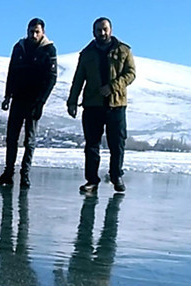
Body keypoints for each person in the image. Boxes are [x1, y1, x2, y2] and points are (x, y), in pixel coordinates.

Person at [66, 17, 136, 193]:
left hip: (116, 105)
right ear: (93, 32)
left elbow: (131, 73)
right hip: (92, 105)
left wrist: (113, 86)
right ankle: (92, 180)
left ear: (110, 30)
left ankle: (116, 176)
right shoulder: (87, 54)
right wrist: (72, 101)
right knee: (92, 145)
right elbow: (78, 79)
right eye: (99, 30)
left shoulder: (123, 50)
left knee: (117, 144)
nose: (102, 33)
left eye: (105, 29)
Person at [0, 18, 57, 189]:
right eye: (31, 31)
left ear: (42, 32)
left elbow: (51, 78)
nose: (33, 35)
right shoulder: (19, 47)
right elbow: (11, 72)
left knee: (30, 139)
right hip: (18, 99)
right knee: (11, 138)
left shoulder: (49, 49)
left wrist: (41, 102)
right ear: (27, 31)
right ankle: (8, 173)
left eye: (37, 32)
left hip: (34, 101)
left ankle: (25, 174)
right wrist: (7, 96)